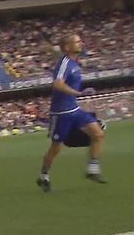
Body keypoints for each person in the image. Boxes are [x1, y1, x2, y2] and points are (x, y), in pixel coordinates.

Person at [37, 34, 106, 192]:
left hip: (74, 110)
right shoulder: (65, 63)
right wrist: (78, 93)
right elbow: (57, 84)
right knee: (56, 148)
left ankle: (92, 170)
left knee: (98, 134)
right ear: (67, 47)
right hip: (61, 113)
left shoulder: (74, 63)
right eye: (77, 41)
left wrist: (79, 93)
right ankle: (44, 176)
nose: (80, 43)